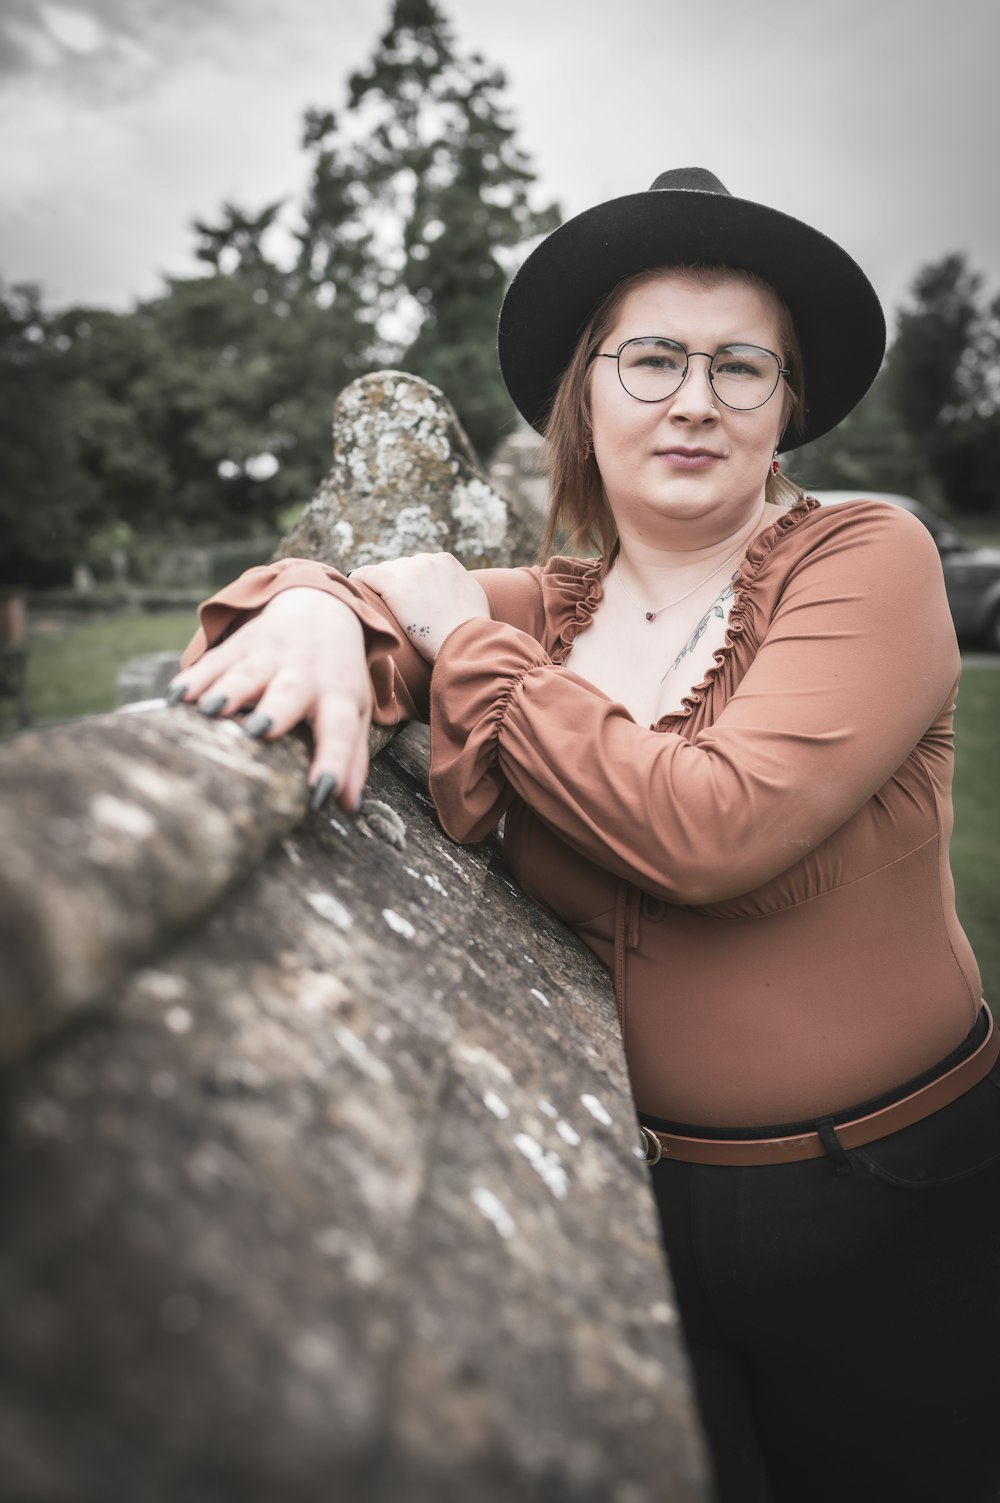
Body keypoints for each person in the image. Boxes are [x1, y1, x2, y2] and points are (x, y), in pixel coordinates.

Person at [168, 168, 999, 1503]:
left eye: (742, 367)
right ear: (586, 389)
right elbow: (323, 597)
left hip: (890, 1203)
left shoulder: (867, 557)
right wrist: (328, 605)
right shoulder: (546, 610)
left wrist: (455, 636)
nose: (692, 399)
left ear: (787, 406)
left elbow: (709, 828)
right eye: (653, 357)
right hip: (633, 1212)